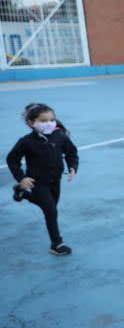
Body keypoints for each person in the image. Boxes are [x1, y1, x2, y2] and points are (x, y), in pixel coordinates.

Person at [6, 103, 78, 256]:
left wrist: (72, 166)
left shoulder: (60, 136)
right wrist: (22, 177)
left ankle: (22, 193)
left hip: (55, 181)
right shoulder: (26, 141)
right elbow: (12, 160)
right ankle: (56, 243)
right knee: (51, 210)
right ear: (31, 123)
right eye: (44, 120)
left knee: (49, 206)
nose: (49, 123)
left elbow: (71, 152)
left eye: (52, 119)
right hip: (37, 182)